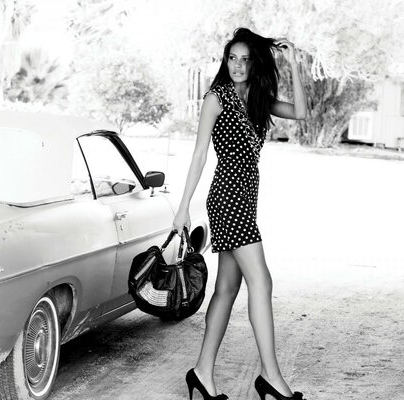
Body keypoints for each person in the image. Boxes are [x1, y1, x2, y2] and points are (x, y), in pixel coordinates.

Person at [172, 28, 308, 400]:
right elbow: (200, 153)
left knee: (228, 289)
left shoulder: (260, 98)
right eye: (232, 58)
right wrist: (183, 207)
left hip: (246, 199)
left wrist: (292, 62)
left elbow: (302, 111)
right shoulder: (217, 98)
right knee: (261, 282)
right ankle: (271, 377)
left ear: (255, 63)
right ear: (225, 61)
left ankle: (201, 373)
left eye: (245, 59)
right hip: (227, 200)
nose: (237, 65)